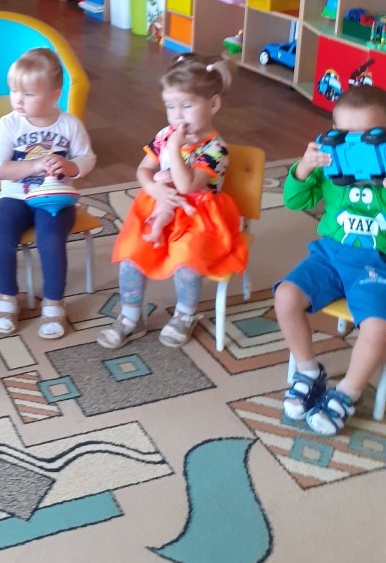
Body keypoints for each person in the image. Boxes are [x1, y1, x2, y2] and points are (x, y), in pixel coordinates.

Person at [99, 54, 247, 350]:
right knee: (131, 253)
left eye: (187, 106)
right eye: (170, 107)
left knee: (186, 260)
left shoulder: (216, 149)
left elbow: (186, 185)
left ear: (213, 104)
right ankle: (131, 317)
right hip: (161, 204)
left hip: (200, 215)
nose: (177, 116)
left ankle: (184, 315)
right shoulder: (164, 135)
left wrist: (176, 150)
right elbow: (143, 169)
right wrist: (152, 188)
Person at [274, 85, 386, 437]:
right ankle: (308, 371)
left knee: (377, 327)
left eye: (369, 135)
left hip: (376, 262)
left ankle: (349, 392)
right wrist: (304, 168)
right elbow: (295, 201)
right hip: (330, 254)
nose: (355, 144)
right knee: (286, 296)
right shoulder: (328, 162)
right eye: (345, 135)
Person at [0, 47, 96, 339]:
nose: (18, 100)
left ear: (54, 94)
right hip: (15, 197)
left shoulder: (70, 124)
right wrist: (34, 165)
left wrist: (69, 166)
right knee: (0, 238)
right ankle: (7, 298)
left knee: (51, 241)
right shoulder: (9, 124)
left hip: (56, 199)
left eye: (28, 93)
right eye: (14, 91)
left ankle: (53, 304)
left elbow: (87, 159)